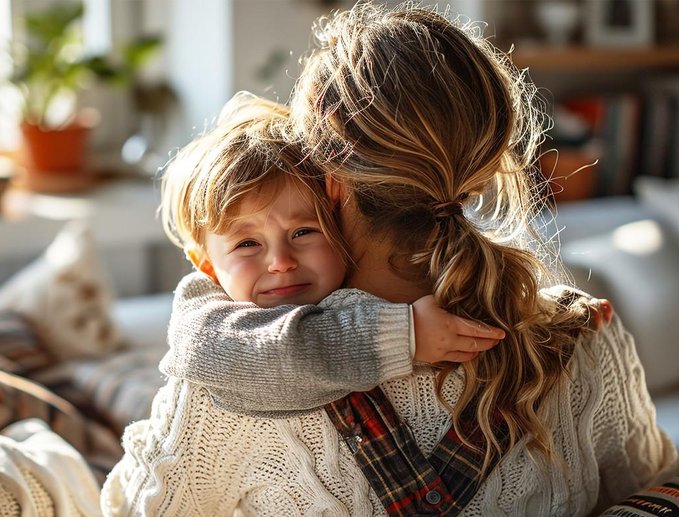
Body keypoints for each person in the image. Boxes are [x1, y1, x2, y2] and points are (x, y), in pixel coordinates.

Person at [102, 4, 677, 517]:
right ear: (481, 161)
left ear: (326, 179)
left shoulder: (230, 382)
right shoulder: (586, 341)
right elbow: (654, 504)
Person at [158, 91, 504, 412]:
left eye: (303, 231)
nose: (281, 262)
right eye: (247, 244)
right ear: (207, 265)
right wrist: (405, 334)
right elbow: (260, 358)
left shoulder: (362, 288)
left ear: (340, 223)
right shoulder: (204, 311)